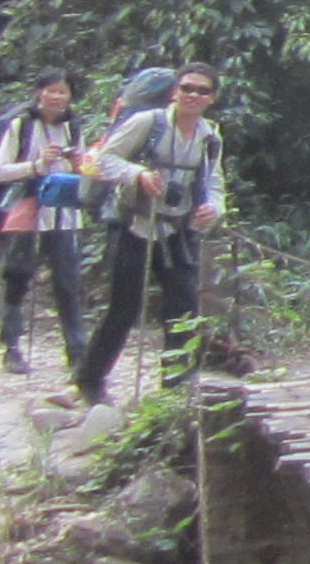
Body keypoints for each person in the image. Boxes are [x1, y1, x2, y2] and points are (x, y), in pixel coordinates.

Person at [75, 64, 224, 402]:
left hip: (178, 231)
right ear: (175, 91)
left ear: (212, 98)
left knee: (183, 309)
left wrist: (213, 209)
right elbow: (103, 159)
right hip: (135, 225)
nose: (193, 95)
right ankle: (90, 379)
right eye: (187, 88)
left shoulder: (210, 135)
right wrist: (138, 174)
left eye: (202, 91)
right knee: (124, 307)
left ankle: (176, 389)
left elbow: (215, 182)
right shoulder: (148, 123)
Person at [0, 70, 90, 377]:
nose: (56, 97)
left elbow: (81, 167)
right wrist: (36, 165)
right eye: (51, 91)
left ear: (70, 96)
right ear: (39, 93)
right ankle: (11, 347)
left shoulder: (73, 126)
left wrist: (77, 162)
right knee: (18, 276)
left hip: (64, 210)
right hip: (26, 204)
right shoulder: (21, 125)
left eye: (62, 92)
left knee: (67, 281)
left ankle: (77, 352)